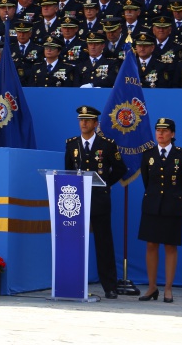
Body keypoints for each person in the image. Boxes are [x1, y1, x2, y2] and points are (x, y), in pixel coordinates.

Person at [65, 106, 127, 299]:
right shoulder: (71, 144)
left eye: (87, 120)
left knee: (104, 243)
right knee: (74, 241)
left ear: (95, 124)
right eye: (81, 120)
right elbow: (67, 170)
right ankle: (72, 282)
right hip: (77, 201)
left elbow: (120, 168)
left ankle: (109, 286)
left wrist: (105, 184)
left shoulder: (107, 144)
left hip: (99, 199)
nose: (83, 123)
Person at [139, 118, 182, 303]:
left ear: (173, 134)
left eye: (165, 130)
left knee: (170, 246)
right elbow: (146, 181)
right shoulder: (148, 154)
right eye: (158, 130)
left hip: (172, 206)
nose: (160, 134)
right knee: (151, 245)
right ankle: (152, 287)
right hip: (152, 205)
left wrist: (174, 198)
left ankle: (168, 288)